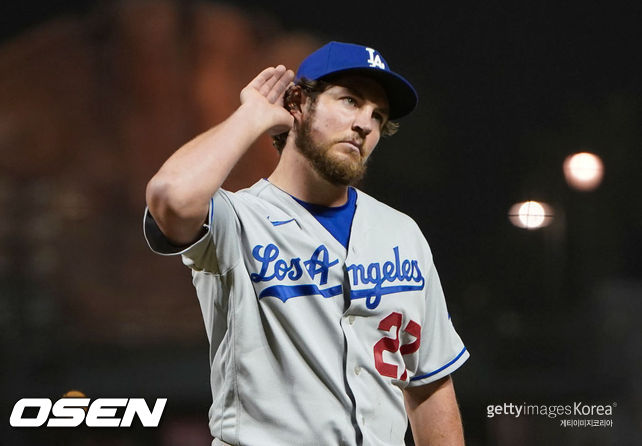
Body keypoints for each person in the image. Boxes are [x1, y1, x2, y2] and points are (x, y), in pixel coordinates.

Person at [144, 41, 469, 446]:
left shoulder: (401, 233)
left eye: (378, 115)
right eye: (349, 100)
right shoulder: (239, 220)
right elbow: (170, 197)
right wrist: (251, 118)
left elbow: (429, 384)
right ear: (297, 101)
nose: (365, 124)